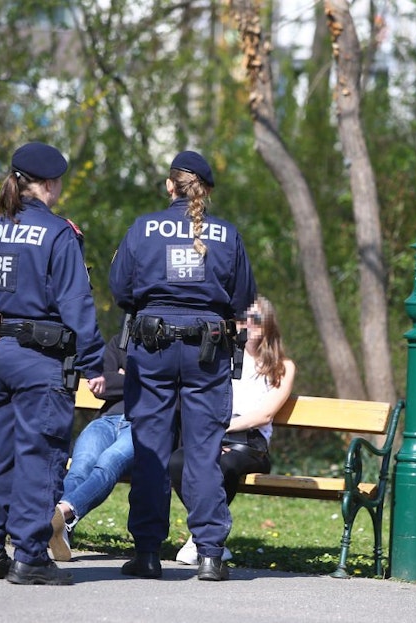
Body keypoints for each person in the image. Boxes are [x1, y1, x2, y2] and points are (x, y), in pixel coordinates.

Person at [0, 141, 106, 586]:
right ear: (49, 184)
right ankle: (29, 556)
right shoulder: (59, 234)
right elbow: (76, 303)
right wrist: (95, 361)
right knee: (39, 455)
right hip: (40, 360)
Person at [109, 150, 256, 581]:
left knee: (151, 449)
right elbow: (245, 298)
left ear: (170, 186)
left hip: (151, 345)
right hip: (207, 349)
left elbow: (121, 288)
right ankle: (210, 554)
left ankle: (148, 553)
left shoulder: (142, 228)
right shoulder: (227, 235)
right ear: (205, 191)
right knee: (203, 452)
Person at [170, 295, 295, 565]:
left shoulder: (281, 367)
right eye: (241, 318)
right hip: (215, 434)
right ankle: (208, 534)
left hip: (249, 444)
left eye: (256, 319)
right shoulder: (220, 358)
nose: (248, 324)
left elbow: (265, 414)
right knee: (178, 461)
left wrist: (221, 430)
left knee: (221, 465)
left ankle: (204, 539)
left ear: (268, 325)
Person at [48, 332, 133, 562]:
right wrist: (138, 381)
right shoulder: (120, 341)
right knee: (80, 467)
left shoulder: (166, 349)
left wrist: (122, 378)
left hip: (142, 424)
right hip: (106, 420)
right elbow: (100, 385)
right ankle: (61, 530)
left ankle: (61, 513)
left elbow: (164, 391)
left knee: (108, 463)